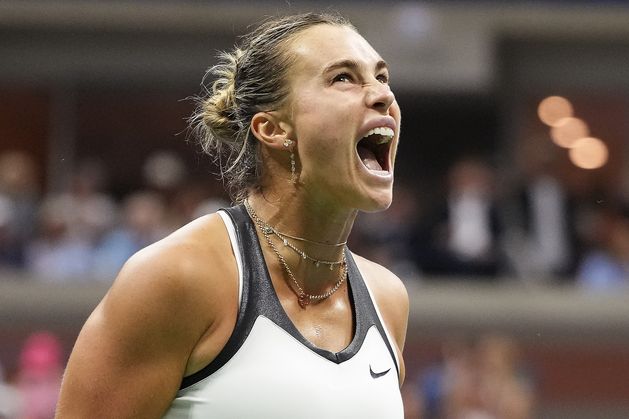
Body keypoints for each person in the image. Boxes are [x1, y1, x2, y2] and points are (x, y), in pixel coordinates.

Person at [56, 12, 408, 418]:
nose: (382, 95)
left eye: (382, 77)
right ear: (273, 129)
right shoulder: (179, 276)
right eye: (343, 78)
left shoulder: (387, 298)